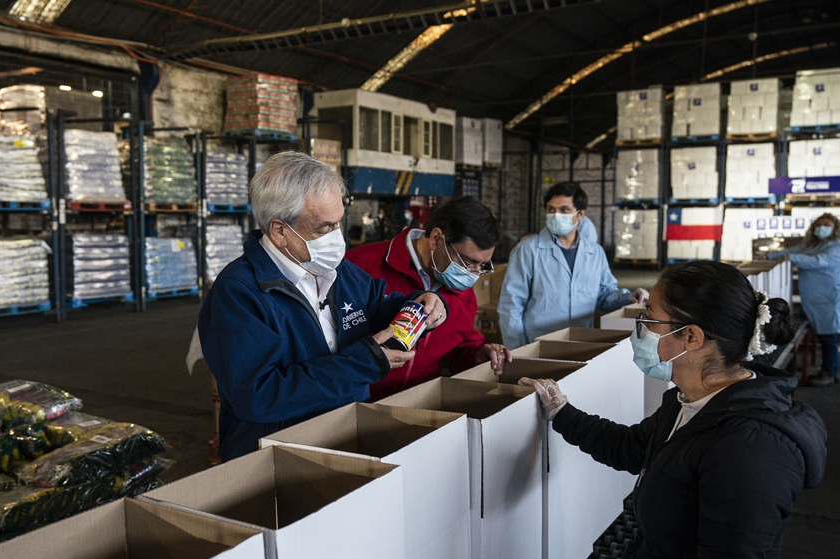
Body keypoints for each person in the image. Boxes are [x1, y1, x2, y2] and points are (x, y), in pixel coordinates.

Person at [525, 260, 827, 559]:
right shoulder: (689, 401)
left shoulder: (750, 449)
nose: (641, 330)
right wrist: (562, 412)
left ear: (691, 337)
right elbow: (632, 448)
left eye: (650, 319)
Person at [198, 152, 449, 460]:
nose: (336, 238)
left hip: (345, 437)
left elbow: (379, 307)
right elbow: (258, 396)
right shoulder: (239, 293)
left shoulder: (338, 270)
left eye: (339, 223)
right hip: (278, 458)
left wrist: (419, 305)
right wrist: (361, 363)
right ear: (279, 231)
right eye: (324, 228)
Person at [347, 196, 513, 400]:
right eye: (467, 262)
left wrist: (476, 354)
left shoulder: (463, 294)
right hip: (358, 404)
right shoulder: (361, 266)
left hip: (421, 404)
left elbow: (456, 347)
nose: (473, 274)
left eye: (482, 266)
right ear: (436, 239)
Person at [499, 181, 648, 348]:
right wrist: (516, 349)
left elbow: (604, 294)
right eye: (551, 210)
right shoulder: (527, 251)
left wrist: (628, 297)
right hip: (539, 343)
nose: (556, 216)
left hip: (581, 340)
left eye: (564, 210)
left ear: (580, 214)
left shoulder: (595, 253)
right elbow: (511, 305)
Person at [768, 213, 840, 387]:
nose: (821, 228)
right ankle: (832, 371)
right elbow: (793, 250)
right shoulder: (814, 245)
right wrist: (771, 256)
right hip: (817, 298)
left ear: (835, 228)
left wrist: (791, 258)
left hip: (830, 298)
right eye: (818, 225)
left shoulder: (838, 247)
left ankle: (828, 373)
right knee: (824, 336)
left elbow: (818, 261)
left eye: (826, 225)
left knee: (828, 338)